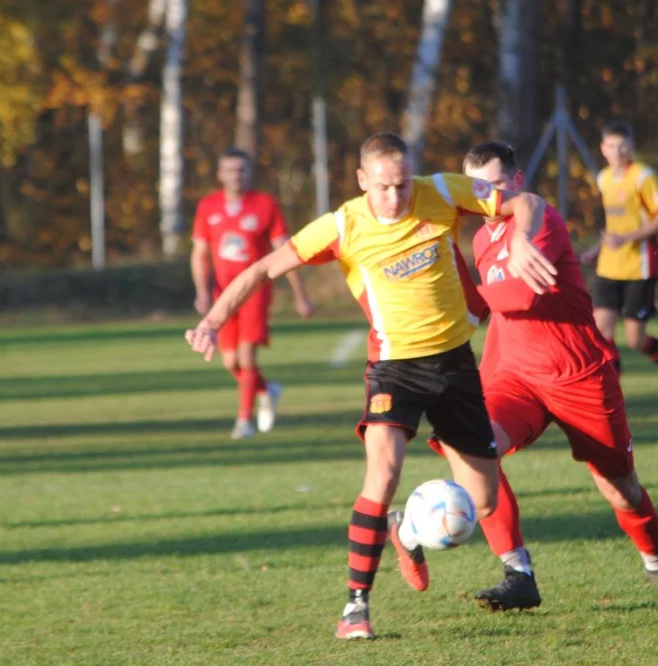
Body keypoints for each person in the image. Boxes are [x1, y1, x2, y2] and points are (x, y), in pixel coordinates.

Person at [185, 133, 557, 640]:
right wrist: (211, 320)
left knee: (484, 503)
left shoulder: (443, 192)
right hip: (394, 368)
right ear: (363, 181)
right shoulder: (343, 225)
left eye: (402, 184)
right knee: (382, 474)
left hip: (454, 366)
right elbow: (263, 268)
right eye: (383, 186)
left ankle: (406, 531)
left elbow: (527, 201)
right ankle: (355, 608)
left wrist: (519, 239)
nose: (395, 197)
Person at [400, 141, 658, 610]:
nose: (489, 196)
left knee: (620, 489)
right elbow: (482, 307)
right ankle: (517, 572)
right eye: (479, 188)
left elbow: (522, 297)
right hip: (513, 377)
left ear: (517, 182)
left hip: (578, 375)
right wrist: (442, 260)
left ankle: (656, 561)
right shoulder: (481, 239)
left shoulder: (541, 224)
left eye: (498, 185)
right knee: (474, 451)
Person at [190, 148, 315, 440]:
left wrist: (301, 296)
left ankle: (244, 421)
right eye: (230, 170)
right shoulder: (208, 207)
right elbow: (199, 253)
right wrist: (201, 290)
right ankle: (266, 389)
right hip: (223, 295)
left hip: (255, 292)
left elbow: (287, 253)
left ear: (249, 173)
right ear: (220, 174)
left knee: (246, 357)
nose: (236, 175)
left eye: (242, 170)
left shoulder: (264, 205)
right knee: (230, 362)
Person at [579, 122, 658, 411]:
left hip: (641, 267)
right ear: (602, 149)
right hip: (610, 266)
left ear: (631, 147)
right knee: (602, 333)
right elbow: (614, 224)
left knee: (636, 339)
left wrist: (627, 238)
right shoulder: (604, 178)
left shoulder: (643, 177)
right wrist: (599, 248)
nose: (617, 151)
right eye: (611, 146)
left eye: (623, 146)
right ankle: (613, 400)